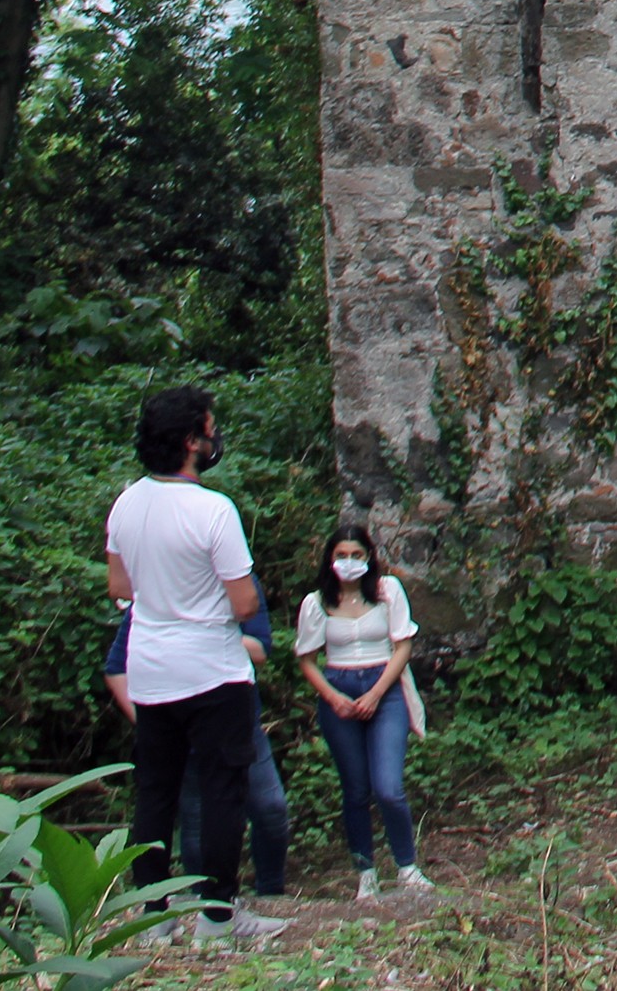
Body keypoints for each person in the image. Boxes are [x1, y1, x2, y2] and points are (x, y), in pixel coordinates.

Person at [103, 384, 280, 942]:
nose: (214, 436)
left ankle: (154, 916)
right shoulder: (213, 509)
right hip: (212, 668)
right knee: (223, 791)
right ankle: (218, 917)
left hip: (151, 666)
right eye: (209, 427)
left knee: (155, 792)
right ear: (190, 441)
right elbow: (245, 602)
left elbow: (118, 585)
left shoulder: (127, 502)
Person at [102, 586, 291, 899]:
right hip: (179, 728)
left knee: (270, 807)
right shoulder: (154, 590)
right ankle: (201, 899)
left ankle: (269, 893)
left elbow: (260, 648)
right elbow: (116, 667)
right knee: (194, 819)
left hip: (235, 722)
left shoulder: (238, 582)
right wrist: (148, 721)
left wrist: (201, 629)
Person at [294, 525, 434, 899]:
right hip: (338, 688)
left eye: (357, 555)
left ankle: (407, 867)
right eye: (342, 555)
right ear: (330, 559)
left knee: (388, 787)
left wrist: (376, 692)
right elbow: (306, 659)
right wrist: (333, 697)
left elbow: (402, 646)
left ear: (369, 557)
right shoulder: (316, 603)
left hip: (384, 688)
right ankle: (366, 873)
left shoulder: (388, 592)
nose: (349, 563)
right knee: (355, 789)